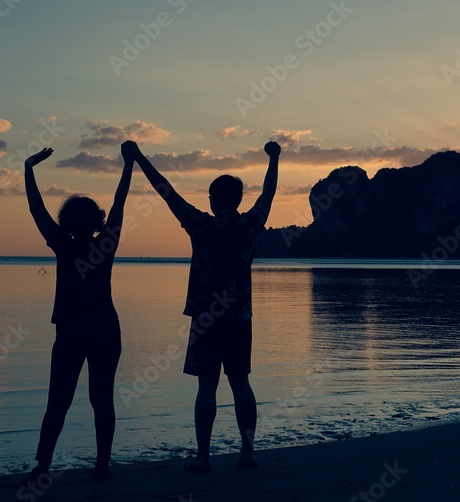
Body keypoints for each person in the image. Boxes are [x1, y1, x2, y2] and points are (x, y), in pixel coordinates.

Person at [122, 139, 280, 472]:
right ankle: (247, 452)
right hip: (239, 317)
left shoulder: (201, 225)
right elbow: (268, 195)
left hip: (206, 318)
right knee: (240, 382)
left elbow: (166, 192)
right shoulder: (249, 226)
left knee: (206, 385)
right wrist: (274, 159)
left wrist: (138, 158)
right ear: (237, 200)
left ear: (212, 200)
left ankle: (204, 456)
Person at [24, 143, 133, 481]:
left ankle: (43, 464)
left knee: (59, 400)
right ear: (97, 221)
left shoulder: (63, 243)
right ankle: (102, 464)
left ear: (68, 221)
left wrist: (29, 168)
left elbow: (36, 209)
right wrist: (128, 164)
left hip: (72, 330)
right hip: (103, 328)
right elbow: (120, 201)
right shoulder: (106, 242)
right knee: (102, 399)